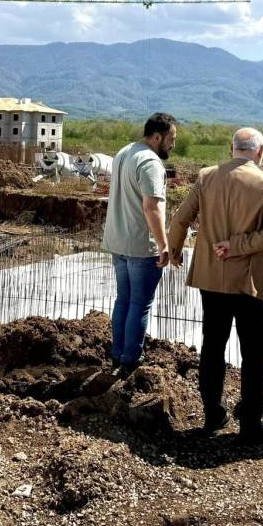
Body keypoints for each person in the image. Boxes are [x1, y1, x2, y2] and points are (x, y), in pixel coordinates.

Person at [168, 128, 263, 444]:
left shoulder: (206, 177)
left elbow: (180, 219)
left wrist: (175, 249)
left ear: (231, 148)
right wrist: (238, 245)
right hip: (250, 283)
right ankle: (250, 422)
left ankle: (212, 413)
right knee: (253, 351)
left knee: (213, 345)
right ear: (260, 152)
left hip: (212, 278)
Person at [102, 112, 178, 373]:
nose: (172, 144)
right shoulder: (151, 163)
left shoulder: (124, 153)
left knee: (123, 300)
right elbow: (152, 208)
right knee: (140, 303)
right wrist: (163, 243)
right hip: (140, 245)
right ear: (157, 137)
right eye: (171, 138)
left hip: (117, 241)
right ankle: (131, 358)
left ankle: (117, 352)